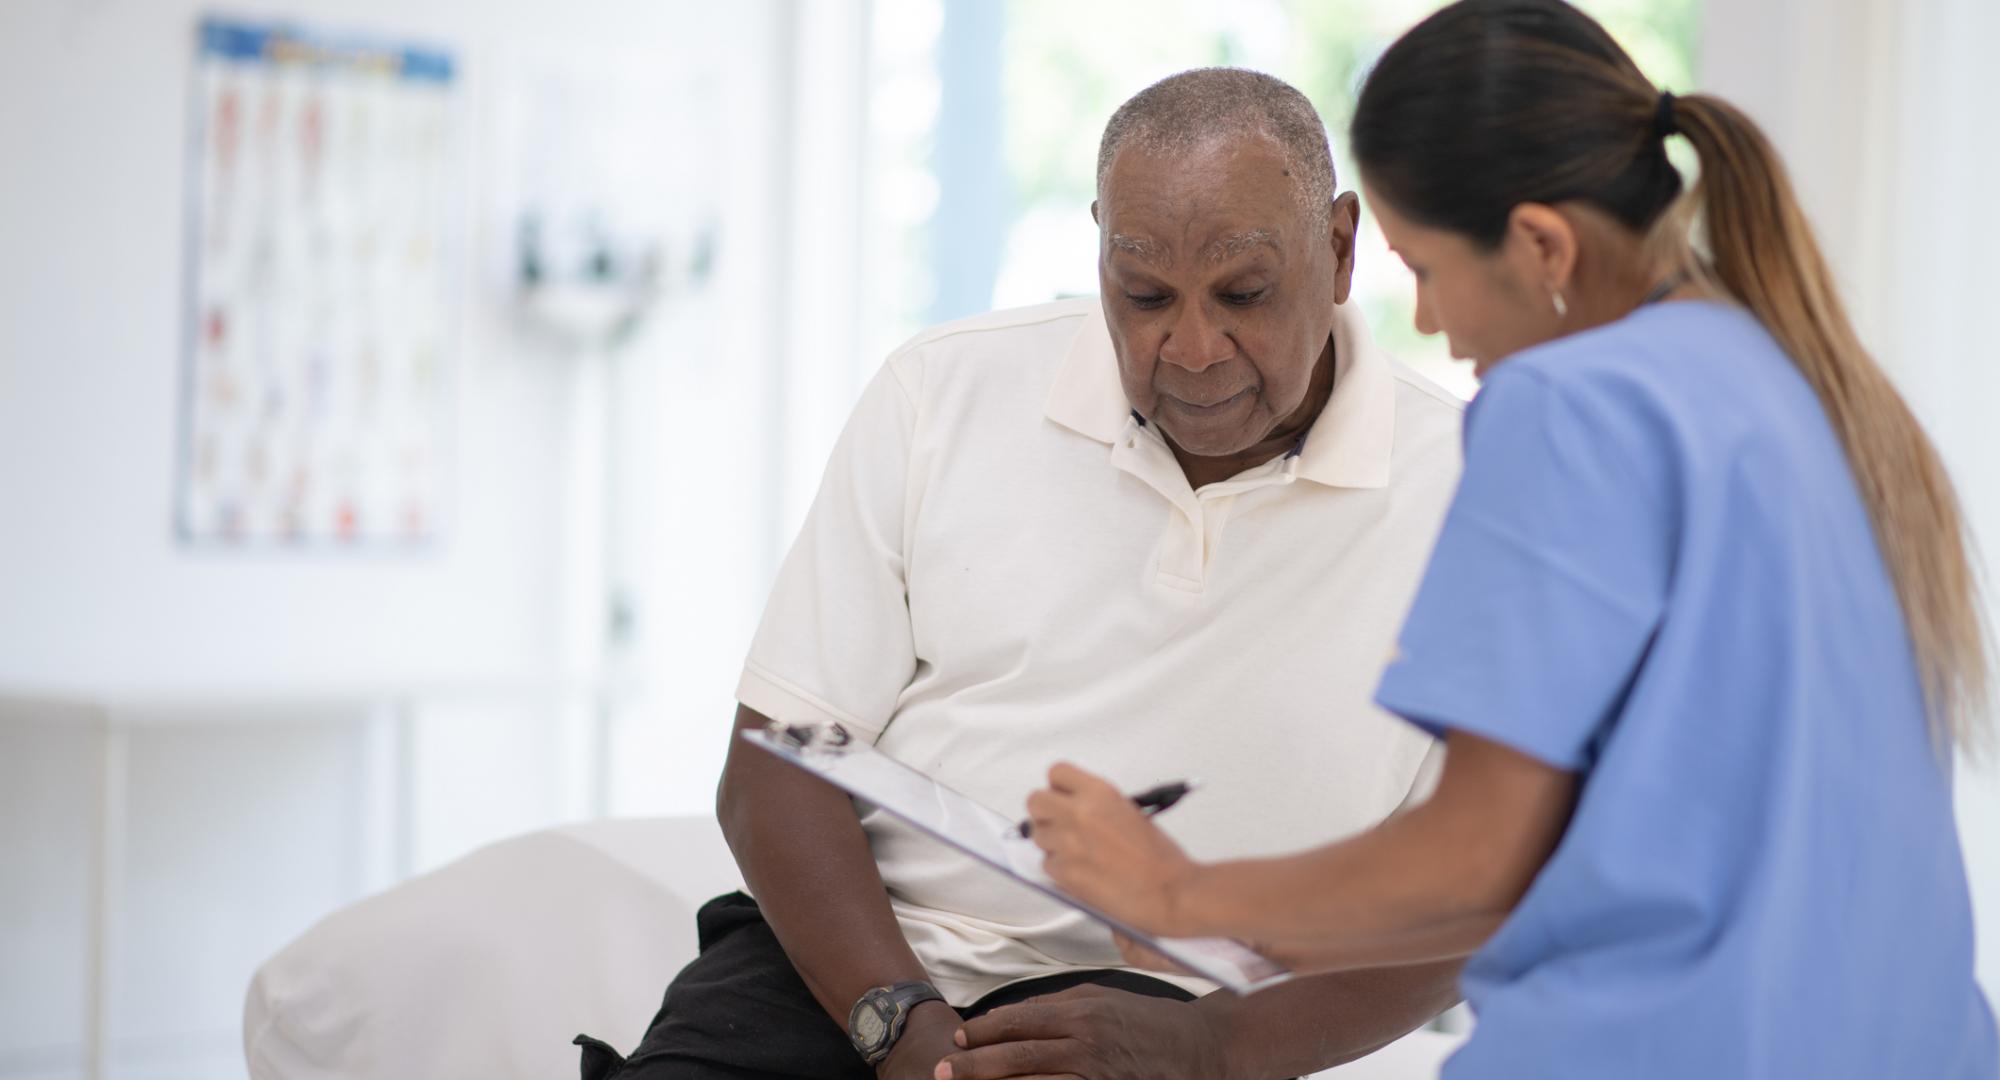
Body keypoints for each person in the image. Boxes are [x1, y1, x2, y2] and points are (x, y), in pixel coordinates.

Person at [1022, 2, 1998, 1077]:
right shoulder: (1798, 386)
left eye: (1428, 272)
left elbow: (1476, 860)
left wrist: (1173, 891)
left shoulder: (1571, 404)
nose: (1432, 326)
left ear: (1539, 245)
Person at [574, 69, 1472, 1080]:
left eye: (1242, 294)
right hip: (860, 974)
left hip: (1170, 1011)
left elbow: (1485, 887)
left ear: (1340, 247)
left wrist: (1221, 1045)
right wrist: (898, 1028)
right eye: (1141, 295)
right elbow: (774, 766)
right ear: (1097, 248)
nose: (1190, 347)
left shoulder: (1470, 491)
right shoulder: (941, 393)